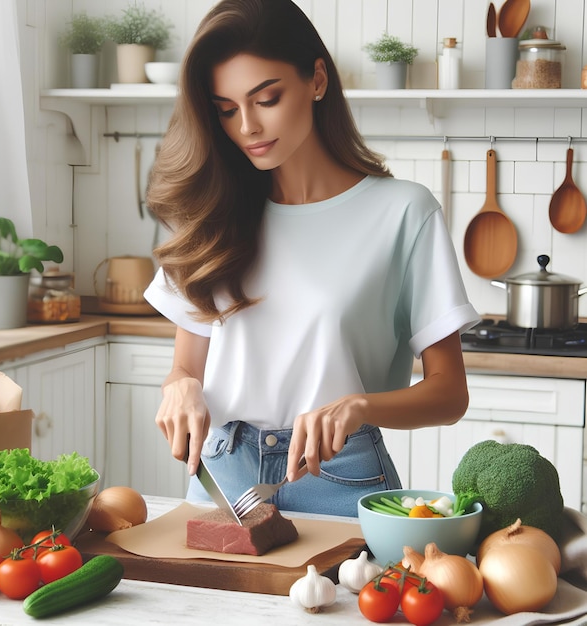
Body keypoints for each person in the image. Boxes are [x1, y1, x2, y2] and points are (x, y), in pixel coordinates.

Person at [144, 0, 480, 517]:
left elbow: (449, 394)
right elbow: (185, 368)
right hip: (221, 477)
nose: (247, 126)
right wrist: (181, 387)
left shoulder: (402, 213)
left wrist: (359, 406)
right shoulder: (213, 214)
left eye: (267, 98)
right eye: (227, 109)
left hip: (340, 476)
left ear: (317, 80)